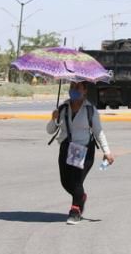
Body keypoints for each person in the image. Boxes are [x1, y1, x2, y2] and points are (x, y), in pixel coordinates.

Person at [46, 81, 115, 224]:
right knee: (65, 182)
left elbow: (98, 132)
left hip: (83, 148)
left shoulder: (90, 110)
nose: (74, 90)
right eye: (72, 87)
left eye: (77, 87)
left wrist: (107, 151)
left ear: (85, 91)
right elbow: (50, 130)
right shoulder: (63, 107)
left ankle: (75, 210)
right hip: (66, 147)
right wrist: (53, 118)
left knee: (77, 181)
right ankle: (81, 197)